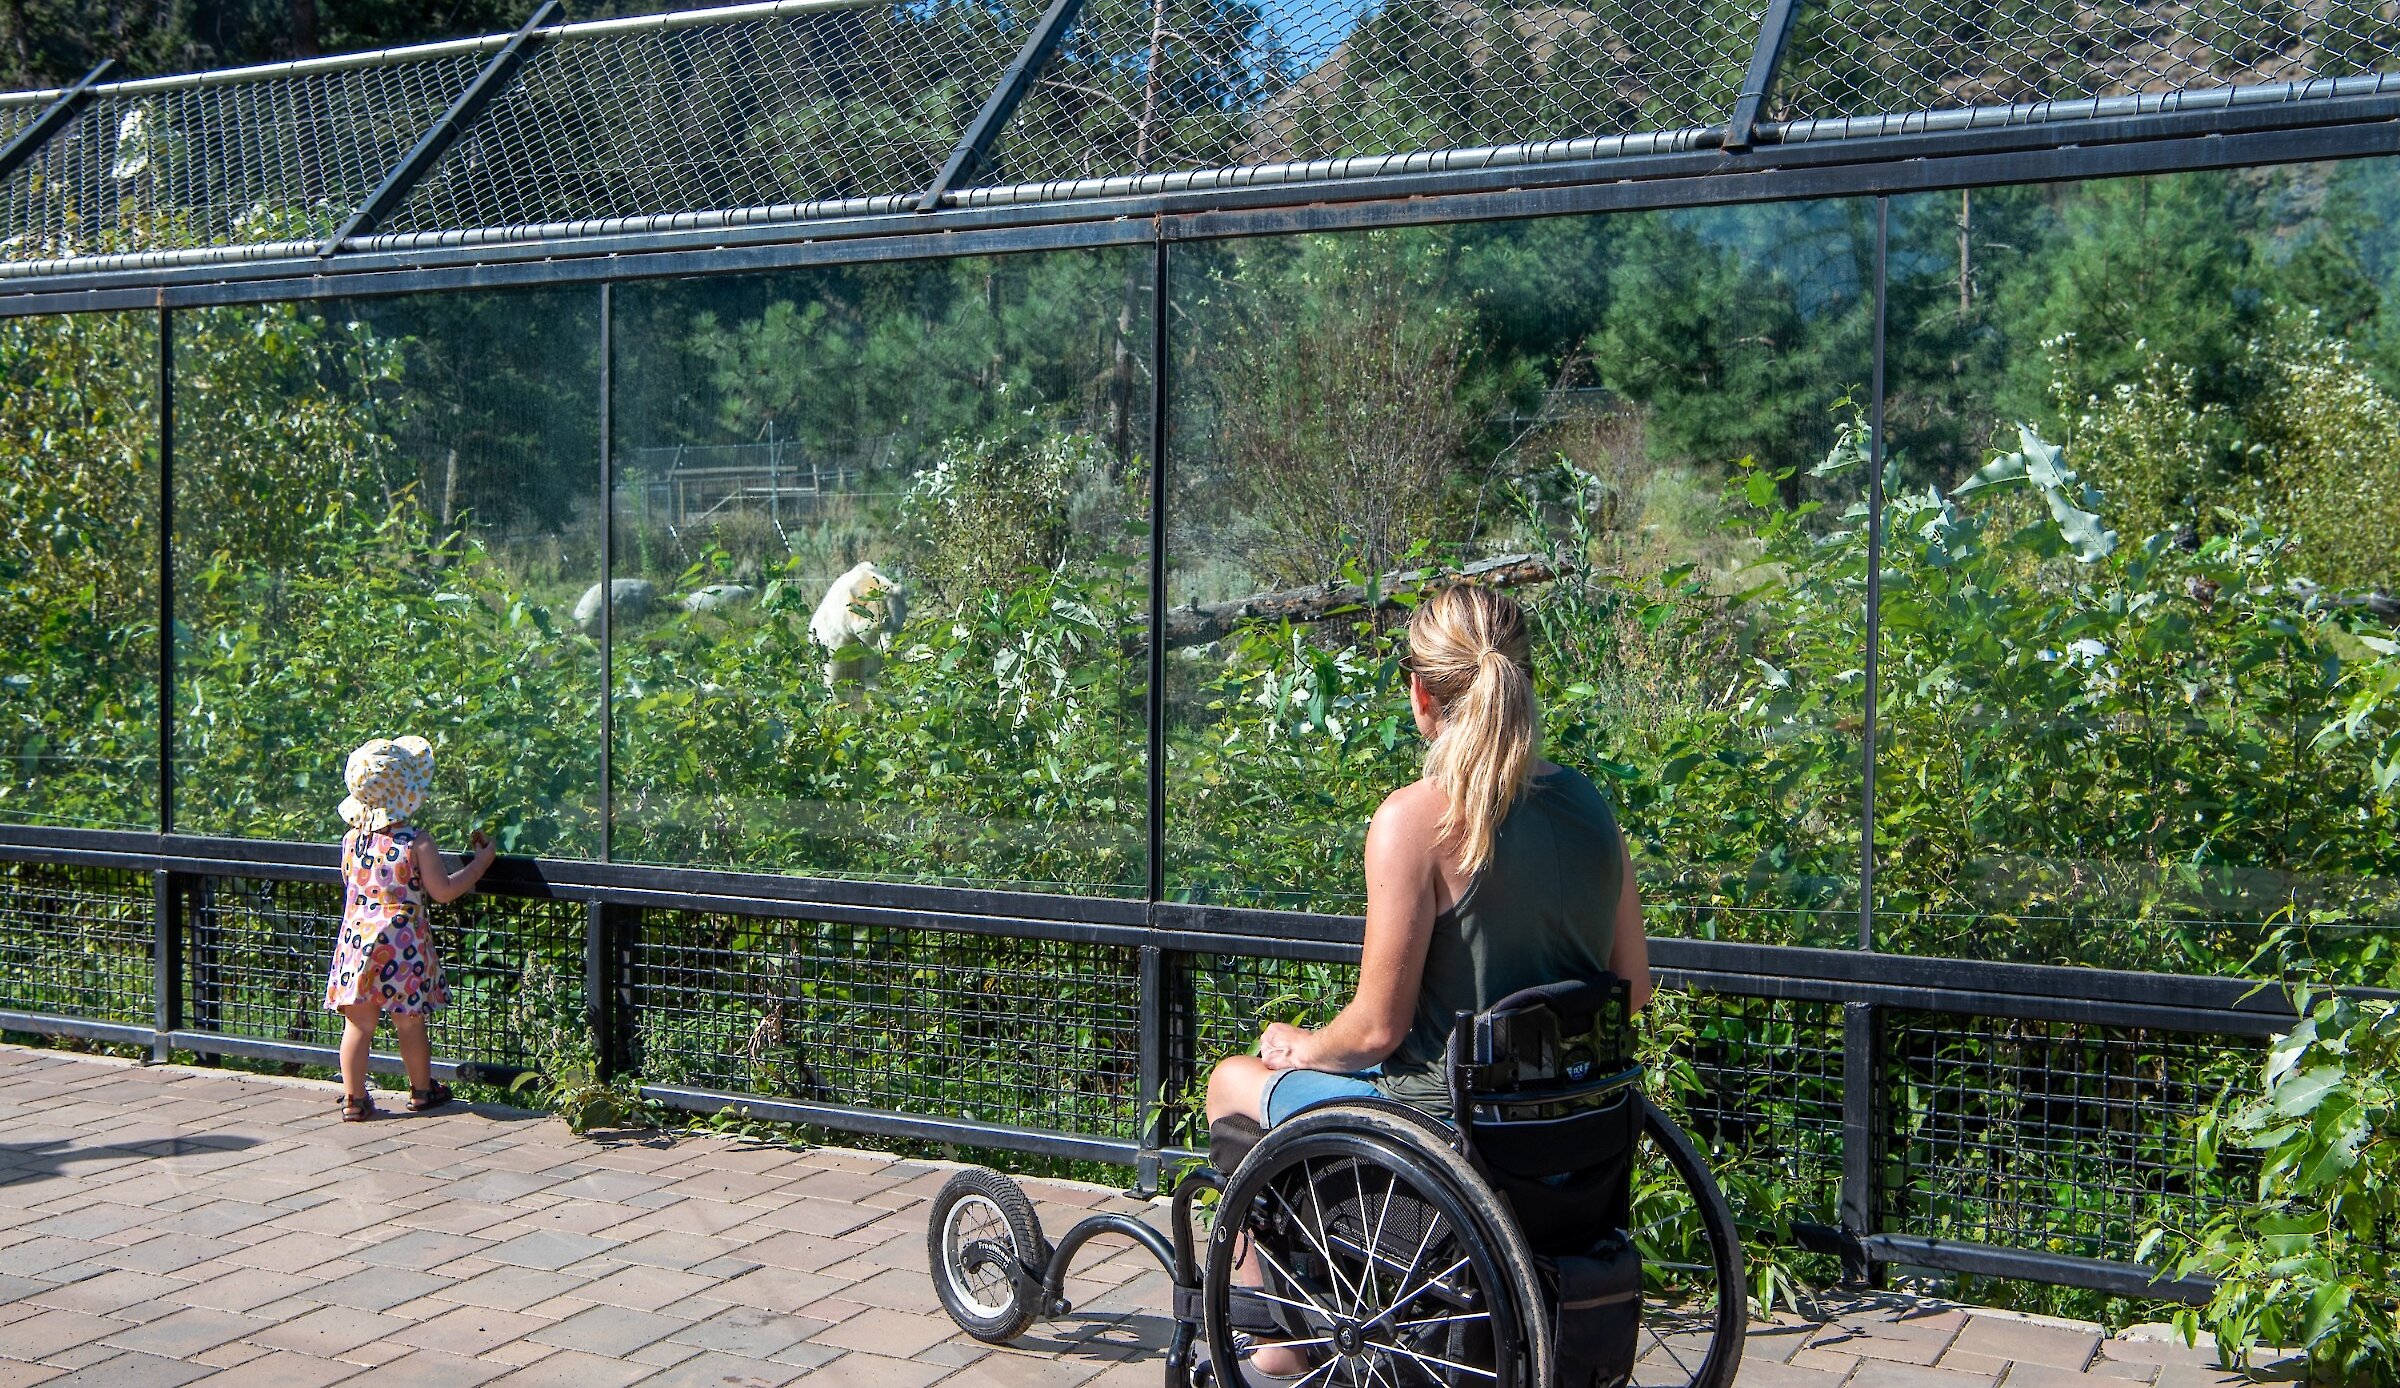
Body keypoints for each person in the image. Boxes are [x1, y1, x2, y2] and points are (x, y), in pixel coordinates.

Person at [1202, 583, 1651, 1376]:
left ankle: (1275, 1342)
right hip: (1573, 1144)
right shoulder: (1589, 807)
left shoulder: (1416, 821)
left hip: (1451, 1143)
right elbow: (1634, 989)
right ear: (1525, 681)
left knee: (1234, 1081)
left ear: (1420, 693)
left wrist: (1300, 1046)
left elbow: (1376, 1031)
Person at [323, 735, 495, 1121]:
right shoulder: (416, 843)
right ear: (407, 792)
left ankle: (354, 1099)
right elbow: (444, 891)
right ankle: (421, 1090)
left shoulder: (351, 840)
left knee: (358, 1023)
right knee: (409, 1020)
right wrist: (482, 863)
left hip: (357, 939)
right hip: (404, 943)